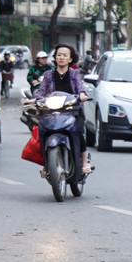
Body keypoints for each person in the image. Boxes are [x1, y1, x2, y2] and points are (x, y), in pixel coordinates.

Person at [31, 44, 91, 174]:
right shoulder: (48, 75)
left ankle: (84, 160)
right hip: (52, 110)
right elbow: (41, 91)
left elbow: (80, 88)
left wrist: (82, 95)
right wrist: (36, 98)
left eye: (65, 55)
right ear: (55, 58)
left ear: (70, 59)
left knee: (79, 131)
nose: (61, 57)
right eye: (59, 55)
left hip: (72, 109)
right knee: (43, 131)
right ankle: (47, 163)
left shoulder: (74, 74)